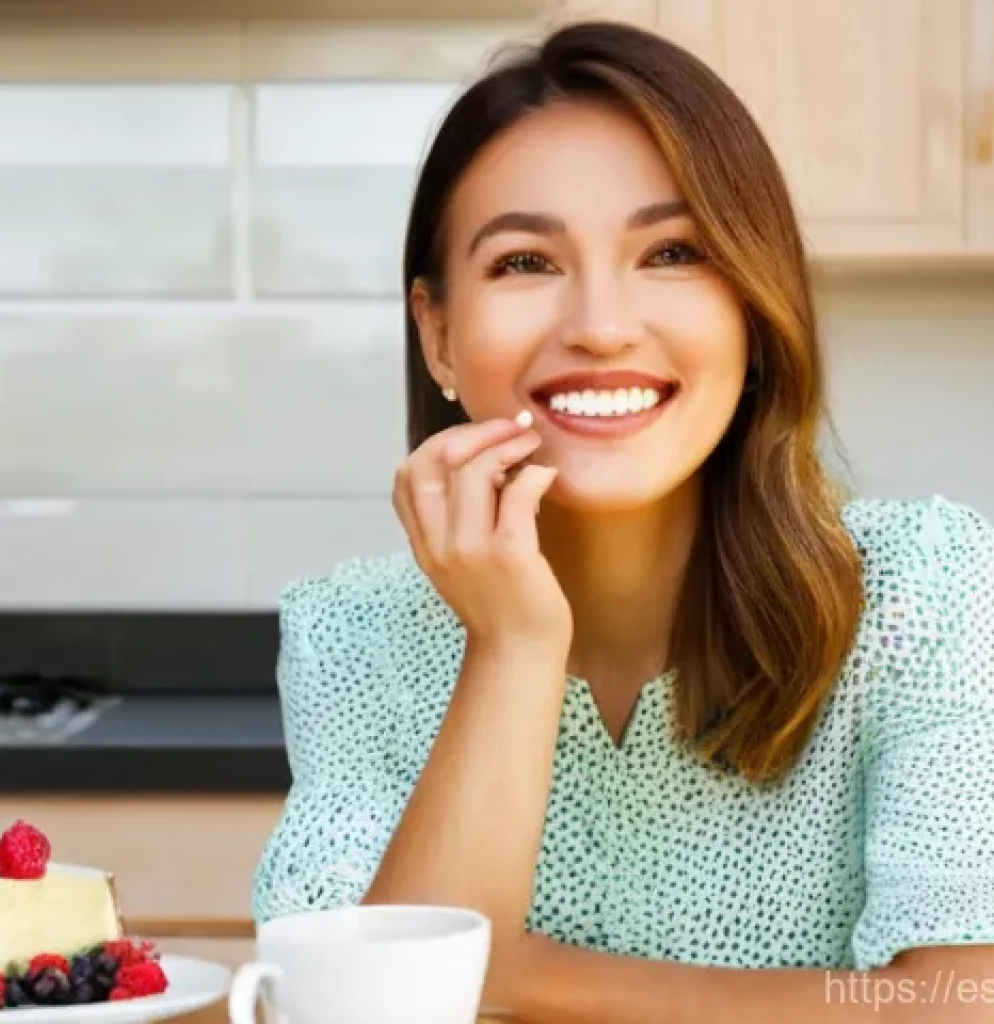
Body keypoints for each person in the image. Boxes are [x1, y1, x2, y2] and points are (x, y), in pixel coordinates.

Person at [253, 20, 994, 1022]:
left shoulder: (923, 590)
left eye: (672, 251)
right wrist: (513, 646)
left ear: (753, 305)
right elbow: (356, 1012)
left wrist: (509, 971)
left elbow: (961, 999)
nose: (600, 327)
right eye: (526, 262)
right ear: (438, 333)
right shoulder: (354, 640)